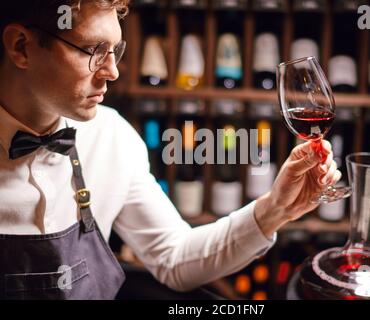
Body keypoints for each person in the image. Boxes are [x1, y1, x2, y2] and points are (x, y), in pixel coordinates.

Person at [0, 0, 341, 299]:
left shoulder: (113, 135)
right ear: (21, 47)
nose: (113, 71)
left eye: (115, 51)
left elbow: (174, 259)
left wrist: (275, 208)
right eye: (91, 51)